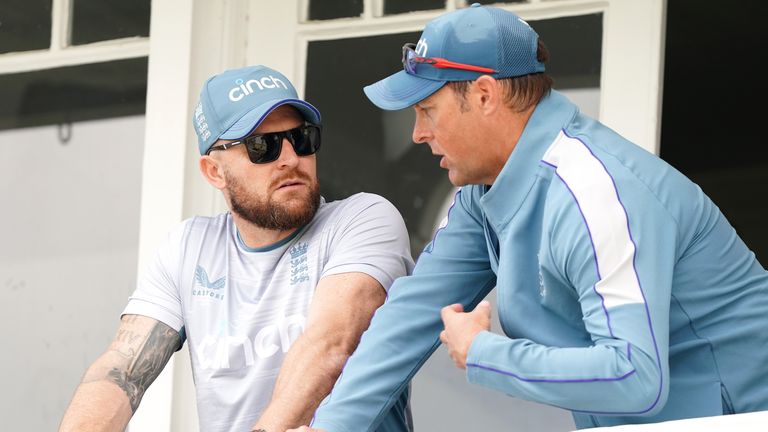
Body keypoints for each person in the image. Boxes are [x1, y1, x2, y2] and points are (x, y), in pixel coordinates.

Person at [296, 4, 768, 431]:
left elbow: (635, 374)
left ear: (484, 95)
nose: (419, 134)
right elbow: (410, 313)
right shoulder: (484, 193)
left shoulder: (594, 189)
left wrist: (485, 353)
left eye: (427, 110)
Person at [58, 65, 415, 432]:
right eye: (263, 146)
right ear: (214, 172)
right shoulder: (188, 247)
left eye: (302, 138)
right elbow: (120, 371)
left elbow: (329, 348)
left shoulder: (363, 218)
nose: (290, 158)